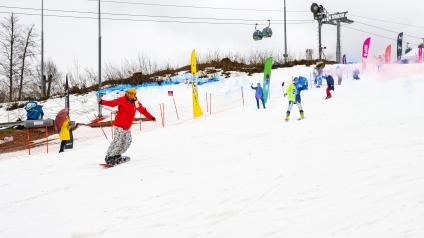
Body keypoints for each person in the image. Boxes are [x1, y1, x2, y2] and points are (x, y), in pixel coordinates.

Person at [99, 88, 156, 165]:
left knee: (127, 142)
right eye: (128, 94)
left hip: (127, 127)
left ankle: (117, 155)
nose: (129, 96)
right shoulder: (122, 99)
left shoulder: (136, 102)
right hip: (119, 125)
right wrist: (101, 101)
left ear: (134, 95)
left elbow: (142, 110)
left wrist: (151, 117)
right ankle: (110, 157)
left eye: (131, 94)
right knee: (118, 141)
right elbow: (112, 103)